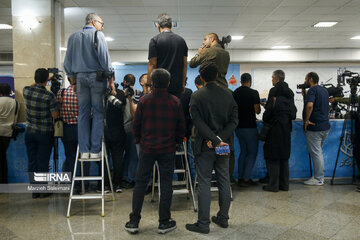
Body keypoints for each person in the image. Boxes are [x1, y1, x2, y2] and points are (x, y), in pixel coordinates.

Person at [125, 68, 185, 234]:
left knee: (140, 183)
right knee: (166, 184)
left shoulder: (144, 101)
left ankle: (134, 221)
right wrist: (177, 143)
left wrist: (140, 141)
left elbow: (136, 125)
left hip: (147, 148)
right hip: (167, 149)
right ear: (168, 83)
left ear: (152, 83)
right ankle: (164, 222)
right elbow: (181, 127)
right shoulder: (175, 101)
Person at [186, 62, 238, 234]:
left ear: (202, 77)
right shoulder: (229, 95)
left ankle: (203, 223)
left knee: (205, 182)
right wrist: (220, 139)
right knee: (223, 180)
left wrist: (213, 139)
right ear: (217, 76)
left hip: (205, 146)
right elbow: (234, 121)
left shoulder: (197, 96)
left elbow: (198, 122)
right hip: (224, 145)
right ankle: (223, 218)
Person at [64, 12, 115, 159]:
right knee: (98, 113)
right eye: (101, 24)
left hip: (79, 78)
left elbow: (67, 62)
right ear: (94, 22)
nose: (102, 27)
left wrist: (72, 80)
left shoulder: (73, 37)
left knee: (83, 114)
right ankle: (94, 150)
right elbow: (104, 59)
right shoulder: (98, 35)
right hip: (96, 77)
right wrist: (110, 78)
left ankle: (84, 150)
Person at [23, 68, 59, 198]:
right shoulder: (49, 96)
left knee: (32, 161)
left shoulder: (26, 91)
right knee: (43, 161)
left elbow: (32, 85)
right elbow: (55, 115)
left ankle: (35, 190)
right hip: (44, 133)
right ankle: (43, 190)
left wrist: (44, 80)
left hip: (30, 132)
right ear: (45, 80)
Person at [262, 70, 297, 192]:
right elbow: (293, 114)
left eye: (272, 78)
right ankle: (284, 185)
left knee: (272, 157)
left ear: (276, 79)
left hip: (274, 129)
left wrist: (266, 107)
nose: (272, 80)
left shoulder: (274, 93)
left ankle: (273, 185)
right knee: (284, 157)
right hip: (286, 129)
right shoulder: (290, 93)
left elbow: (267, 115)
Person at [148, 13, 188, 98]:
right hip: (176, 87)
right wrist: (183, 84)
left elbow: (152, 64)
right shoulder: (181, 41)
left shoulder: (155, 40)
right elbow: (184, 65)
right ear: (171, 25)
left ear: (158, 26)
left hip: (159, 86)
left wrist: (149, 84)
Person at [233, 73, 261, 187]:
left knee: (243, 152)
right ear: (250, 81)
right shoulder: (253, 93)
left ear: (241, 81)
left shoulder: (235, 93)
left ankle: (240, 177)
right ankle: (246, 178)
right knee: (252, 153)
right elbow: (257, 110)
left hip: (238, 127)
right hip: (250, 127)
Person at [302, 72, 330, 186]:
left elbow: (310, 106)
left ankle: (318, 178)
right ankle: (319, 176)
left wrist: (307, 120)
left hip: (315, 127)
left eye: (306, 79)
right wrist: (305, 96)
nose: (305, 81)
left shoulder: (312, 90)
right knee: (318, 153)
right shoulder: (324, 90)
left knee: (316, 153)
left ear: (311, 79)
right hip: (325, 126)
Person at [104, 83, 127, 193]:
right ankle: (117, 184)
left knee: (105, 159)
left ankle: (105, 185)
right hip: (118, 130)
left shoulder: (99, 93)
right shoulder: (121, 93)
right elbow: (123, 109)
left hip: (104, 131)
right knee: (118, 158)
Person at [122, 74, 141, 189]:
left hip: (124, 127)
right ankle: (129, 177)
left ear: (124, 81)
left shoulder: (121, 94)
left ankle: (129, 178)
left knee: (129, 155)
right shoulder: (139, 93)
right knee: (132, 155)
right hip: (133, 126)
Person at [57, 78, 78, 176]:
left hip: (66, 129)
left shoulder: (61, 92)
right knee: (83, 158)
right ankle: (82, 184)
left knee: (70, 157)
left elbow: (57, 109)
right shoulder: (84, 94)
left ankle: (69, 184)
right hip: (81, 129)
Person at [0, 83, 19, 183]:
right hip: (8, 133)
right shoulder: (15, 102)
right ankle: (4, 182)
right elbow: (15, 119)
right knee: (3, 158)